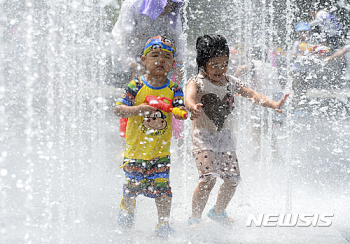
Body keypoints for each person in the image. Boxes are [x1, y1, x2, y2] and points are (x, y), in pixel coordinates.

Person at [185, 35, 288, 228]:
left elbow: (252, 94)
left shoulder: (231, 82)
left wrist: (273, 104)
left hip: (226, 140)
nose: (220, 69)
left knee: (232, 180)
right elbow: (188, 97)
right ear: (203, 64)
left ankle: (218, 212)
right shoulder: (197, 82)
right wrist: (192, 106)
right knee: (208, 179)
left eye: (224, 63)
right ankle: (195, 218)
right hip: (203, 139)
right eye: (214, 64)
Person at [114, 35, 187, 237]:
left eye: (166, 57)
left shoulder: (173, 88)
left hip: (160, 152)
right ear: (144, 60)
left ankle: (163, 225)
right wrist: (137, 109)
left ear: (173, 63)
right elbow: (118, 109)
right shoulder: (135, 85)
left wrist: (188, 110)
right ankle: (127, 211)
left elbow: (180, 108)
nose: (160, 60)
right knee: (131, 189)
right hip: (135, 151)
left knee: (163, 190)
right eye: (154, 55)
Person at [110, 0, 184, 85]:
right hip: (123, 50)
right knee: (130, 87)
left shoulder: (170, 8)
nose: (167, 10)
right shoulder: (132, 5)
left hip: (145, 50)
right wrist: (133, 64)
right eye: (164, 7)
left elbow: (178, 37)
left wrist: (179, 64)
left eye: (170, 7)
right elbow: (123, 39)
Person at [234, 46, 284, 161]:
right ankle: (276, 154)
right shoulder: (269, 66)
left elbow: (241, 69)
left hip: (264, 98)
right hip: (276, 97)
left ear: (251, 55)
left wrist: (233, 82)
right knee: (267, 128)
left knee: (256, 127)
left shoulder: (253, 64)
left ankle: (258, 153)